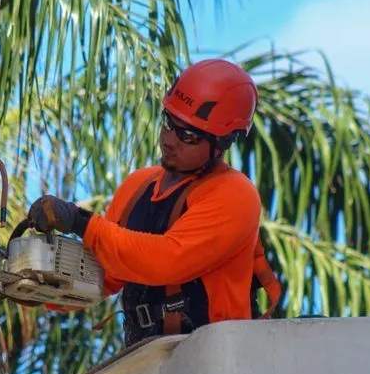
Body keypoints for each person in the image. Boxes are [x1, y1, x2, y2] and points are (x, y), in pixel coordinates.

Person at [27, 59, 280, 346]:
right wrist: (34, 280)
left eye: (187, 135)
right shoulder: (139, 185)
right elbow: (102, 272)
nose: (169, 140)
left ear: (222, 143)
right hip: (149, 357)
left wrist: (80, 221)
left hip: (217, 357)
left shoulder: (234, 195)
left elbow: (166, 261)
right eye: (169, 123)